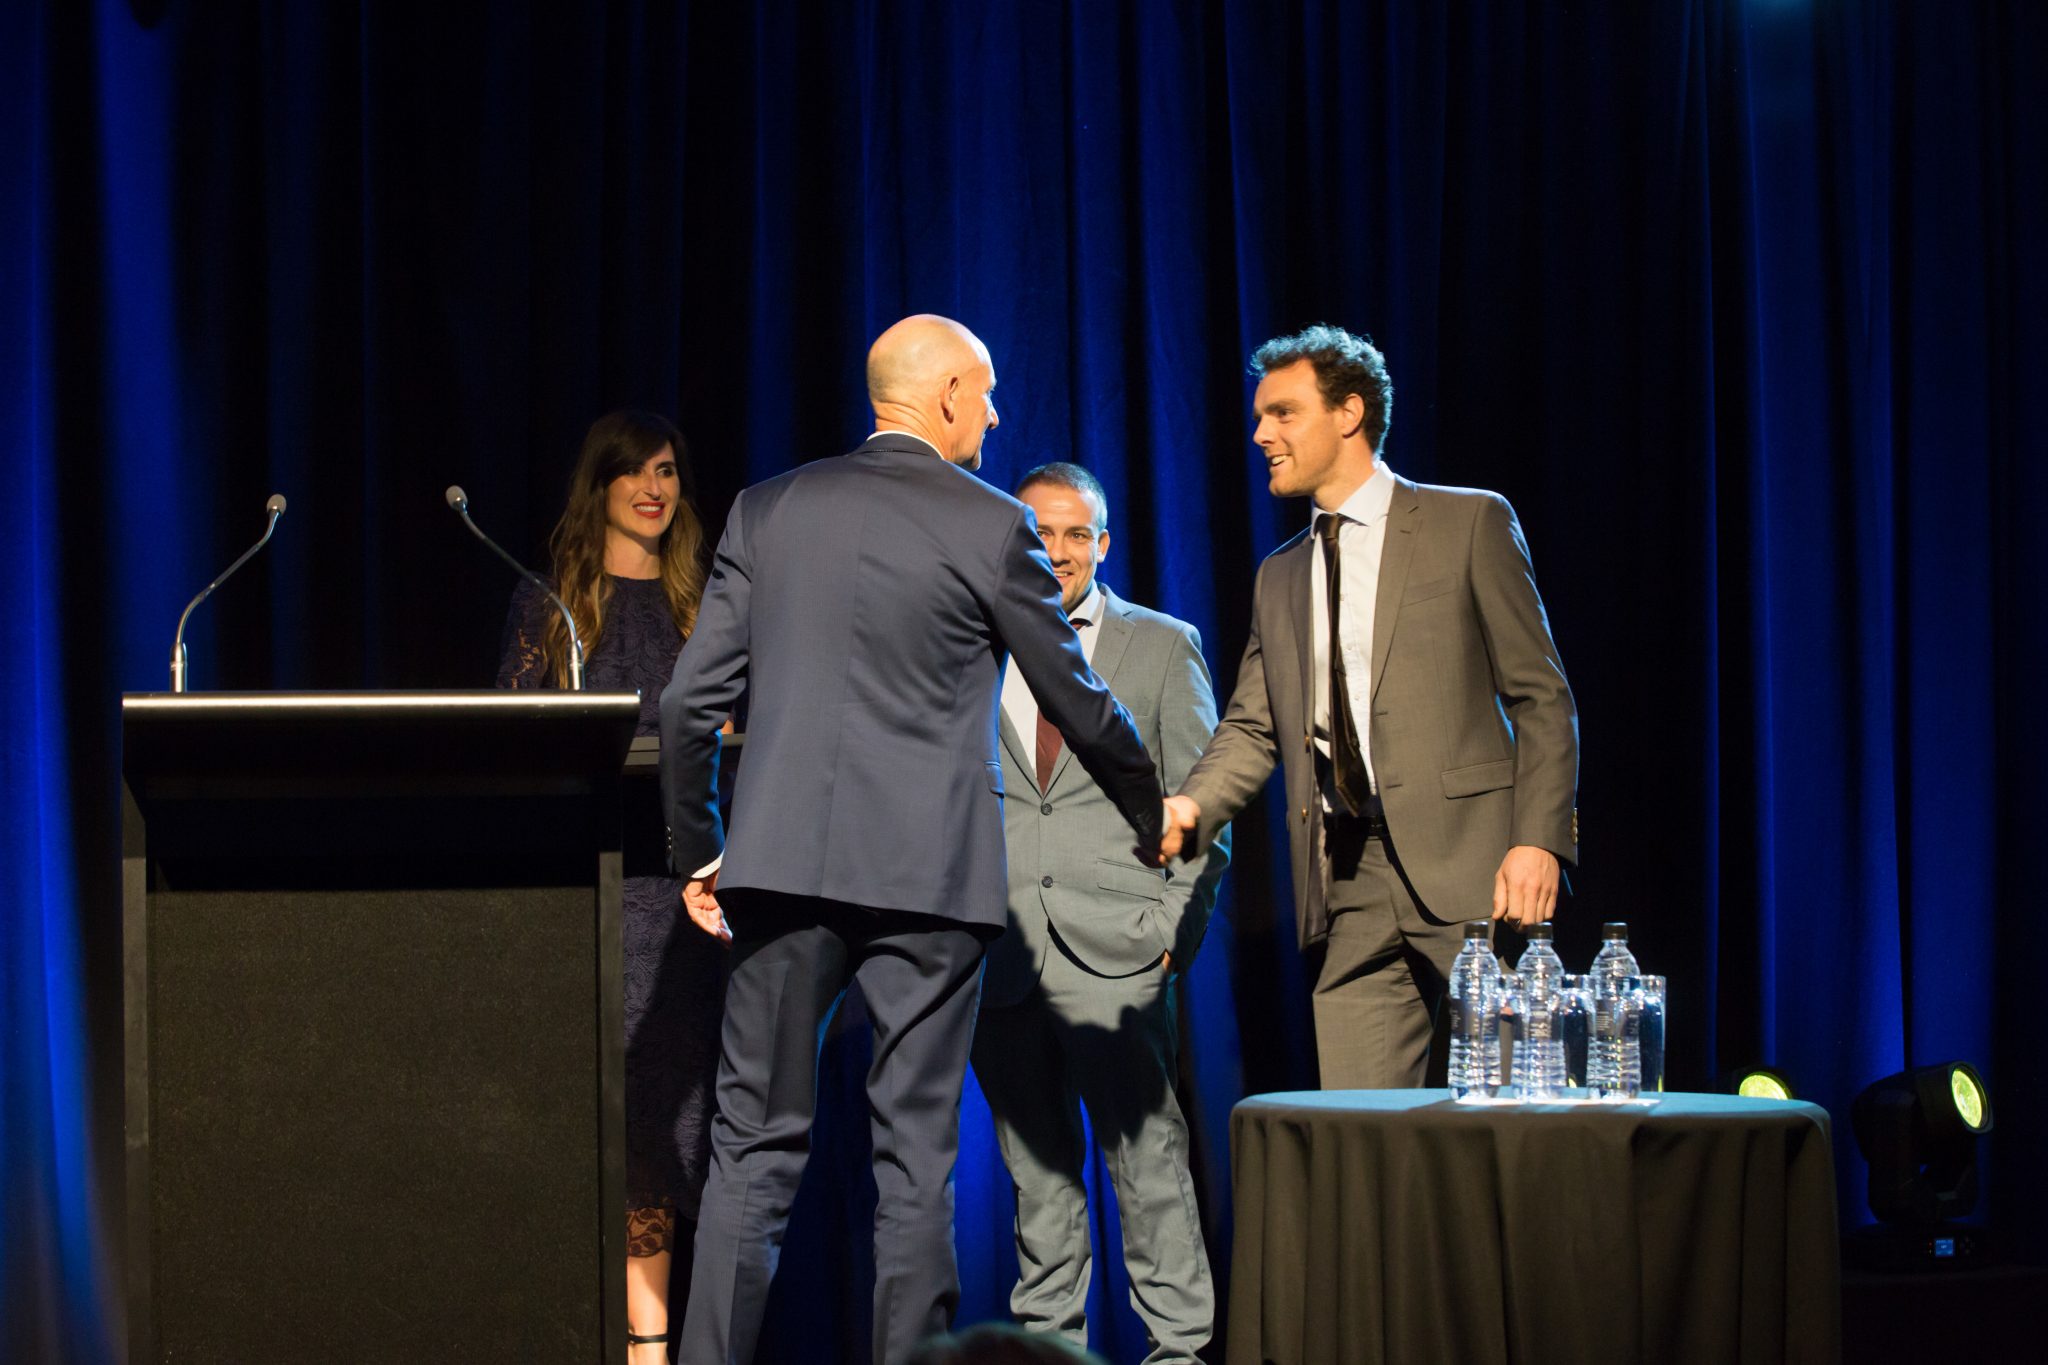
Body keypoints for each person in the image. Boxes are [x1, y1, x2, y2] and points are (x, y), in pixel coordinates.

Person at [659, 315, 1166, 1365]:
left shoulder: (768, 508)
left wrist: (700, 846)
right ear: (944, 398)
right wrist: (1149, 805)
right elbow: (1074, 695)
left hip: (780, 871)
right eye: (986, 393)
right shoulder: (991, 524)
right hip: (930, 884)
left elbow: (686, 706)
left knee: (750, 1150)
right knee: (914, 1161)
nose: (996, 414)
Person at [1163, 325, 1579, 1089]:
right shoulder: (1281, 575)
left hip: (1476, 869)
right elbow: (1253, 726)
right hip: (1348, 876)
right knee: (1359, 1123)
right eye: (1260, 417)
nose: (1261, 435)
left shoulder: (1467, 522)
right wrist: (1189, 808)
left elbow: (1542, 696)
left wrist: (1538, 840)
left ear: (1349, 412)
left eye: (1283, 413)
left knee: (1519, 1107)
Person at [971, 462, 1229, 1363]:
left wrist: (1169, 938)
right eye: (1039, 532)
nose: (1058, 550)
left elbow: (1204, 811)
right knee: (1037, 1188)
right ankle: (1052, 1352)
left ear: (1104, 543)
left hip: (1121, 954)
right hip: (1003, 959)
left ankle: (1179, 1354)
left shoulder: (1162, 645)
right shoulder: (972, 643)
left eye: (1076, 533)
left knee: (1150, 1174)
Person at [497, 409, 722, 1362]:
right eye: (634, 472)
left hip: (686, 897)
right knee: (596, 1121)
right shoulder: (551, 604)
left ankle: (650, 1342)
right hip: (585, 893)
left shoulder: (707, 603)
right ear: (600, 486)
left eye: (666, 471)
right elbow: (514, 741)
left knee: (670, 1125)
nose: (653, 489)